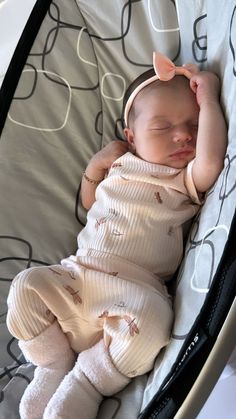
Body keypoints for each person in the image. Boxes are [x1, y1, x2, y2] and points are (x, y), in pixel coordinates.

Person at [6, 52, 227, 419]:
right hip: (77, 276)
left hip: (133, 295)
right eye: (162, 127)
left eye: (194, 124)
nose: (184, 134)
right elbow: (91, 202)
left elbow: (211, 162)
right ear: (131, 136)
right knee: (25, 287)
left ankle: (87, 382)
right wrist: (96, 166)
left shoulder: (182, 180)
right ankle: (52, 364)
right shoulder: (119, 164)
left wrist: (210, 99)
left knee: (154, 327)